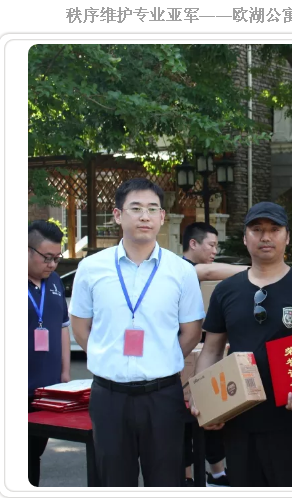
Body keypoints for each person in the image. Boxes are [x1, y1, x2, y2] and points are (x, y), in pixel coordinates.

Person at [69, 178, 205, 487]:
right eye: (136, 208)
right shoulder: (91, 268)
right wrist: (108, 357)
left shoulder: (181, 271)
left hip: (163, 396)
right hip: (109, 396)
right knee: (113, 481)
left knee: (166, 480)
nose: (145, 216)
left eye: (152, 209)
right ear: (118, 215)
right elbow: (80, 327)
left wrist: (160, 358)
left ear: (162, 217)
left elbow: (191, 332)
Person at [191, 201, 292, 487]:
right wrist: (202, 399)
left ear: (287, 237)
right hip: (239, 418)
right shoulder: (226, 291)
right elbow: (211, 350)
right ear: (245, 238)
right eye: (257, 229)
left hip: (289, 418)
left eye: (274, 229)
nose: (265, 237)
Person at [179, 222, 247, 487]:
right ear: (193, 244)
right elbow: (207, 271)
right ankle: (187, 478)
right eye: (211, 245)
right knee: (185, 424)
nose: (215, 251)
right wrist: (257, 270)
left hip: (197, 350)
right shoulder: (182, 267)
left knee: (212, 414)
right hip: (180, 358)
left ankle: (216, 473)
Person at [28, 220, 71, 486]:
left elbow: (63, 328)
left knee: (33, 454)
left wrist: (65, 373)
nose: (52, 265)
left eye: (57, 258)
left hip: (46, 390)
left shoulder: (54, 282)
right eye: (47, 258)